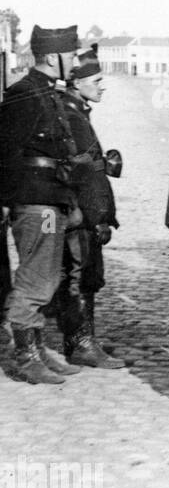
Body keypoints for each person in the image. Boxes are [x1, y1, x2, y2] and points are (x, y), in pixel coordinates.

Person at [0, 24, 85, 384]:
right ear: (53, 58)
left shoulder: (47, 92)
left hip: (51, 199)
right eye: (71, 56)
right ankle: (27, 357)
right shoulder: (24, 94)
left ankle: (37, 351)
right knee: (36, 275)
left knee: (47, 274)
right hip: (36, 203)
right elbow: (4, 151)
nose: (76, 62)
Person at [55, 46, 125, 368]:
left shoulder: (75, 111)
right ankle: (81, 343)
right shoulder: (71, 115)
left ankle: (82, 338)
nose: (102, 85)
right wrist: (97, 216)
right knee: (80, 275)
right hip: (79, 211)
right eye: (96, 80)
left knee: (84, 274)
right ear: (76, 83)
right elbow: (82, 173)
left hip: (82, 209)